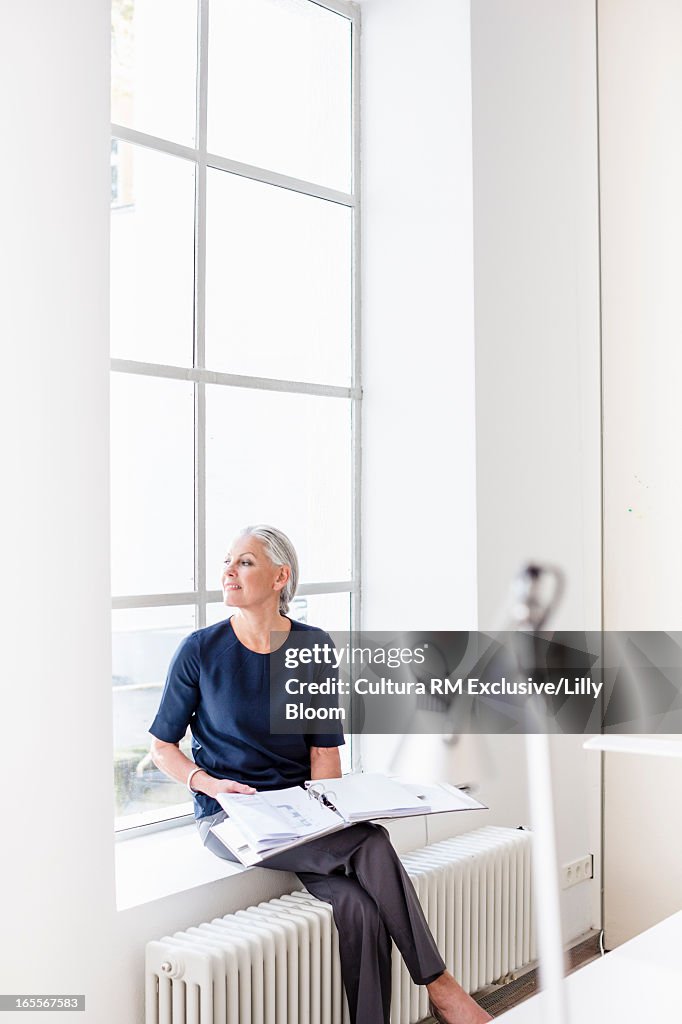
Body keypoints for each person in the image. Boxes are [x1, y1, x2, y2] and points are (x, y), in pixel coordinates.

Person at [149, 524, 492, 1024]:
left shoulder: (313, 647)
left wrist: (335, 812)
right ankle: (442, 989)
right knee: (370, 841)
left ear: (280, 576)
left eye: (244, 561)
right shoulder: (199, 651)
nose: (228, 570)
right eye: (227, 560)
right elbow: (162, 747)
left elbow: (324, 754)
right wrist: (208, 784)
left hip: (300, 813)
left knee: (359, 905)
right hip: (233, 816)